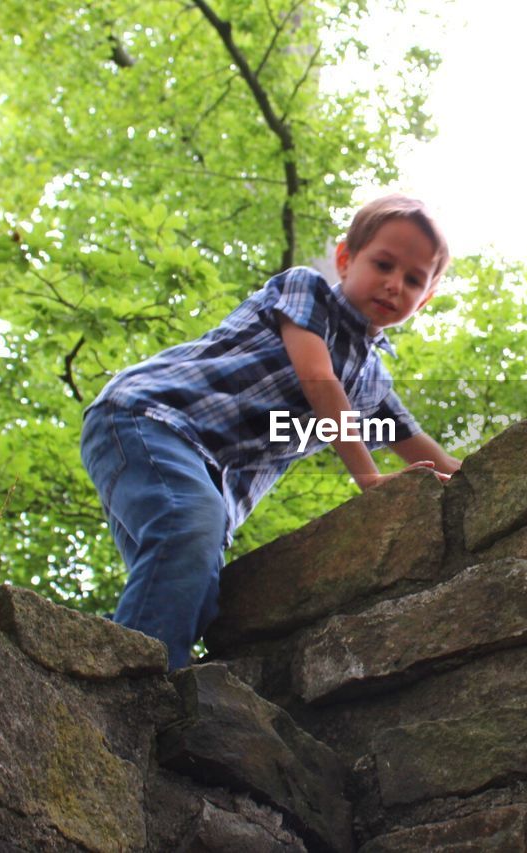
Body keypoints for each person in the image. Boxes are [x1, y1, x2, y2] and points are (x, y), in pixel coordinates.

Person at [80, 194, 460, 669]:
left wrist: (478, 476)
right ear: (345, 259)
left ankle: (154, 681)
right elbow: (319, 381)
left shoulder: (371, 382)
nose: (393, 285)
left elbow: (423, 448)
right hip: (151, 419)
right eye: (383, 264)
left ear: (424, 300)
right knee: (186, 526)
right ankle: (131, 689)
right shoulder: (308, 292)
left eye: (412, 280)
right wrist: (369, 479)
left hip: (207, 479)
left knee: (191, 584)